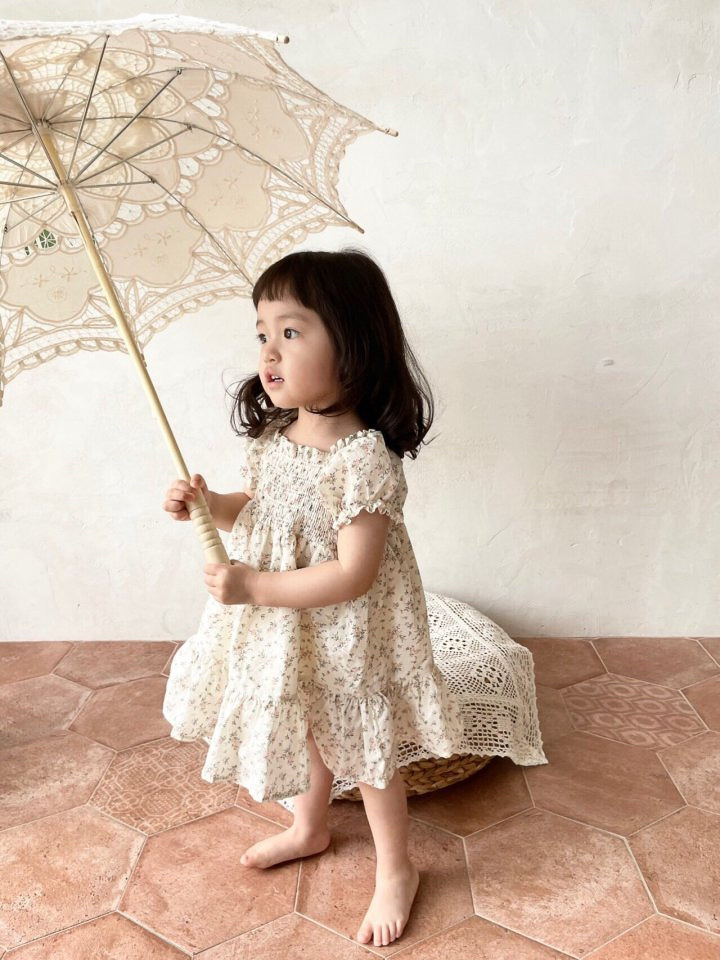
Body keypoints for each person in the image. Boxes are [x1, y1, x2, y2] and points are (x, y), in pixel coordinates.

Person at [161, 248, 465, 948]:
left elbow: (354, 573)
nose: (268, 352)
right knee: (304, 722)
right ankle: (309, 824)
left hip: (346, 632)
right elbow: (259, 512)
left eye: (291, 332)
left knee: (364, 743)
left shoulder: (362, 458)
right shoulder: (275, 439)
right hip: (288, 629)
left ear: (353, 345)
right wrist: (207, 504)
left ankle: (397, 867)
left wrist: (253, 586)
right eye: (262, 333)